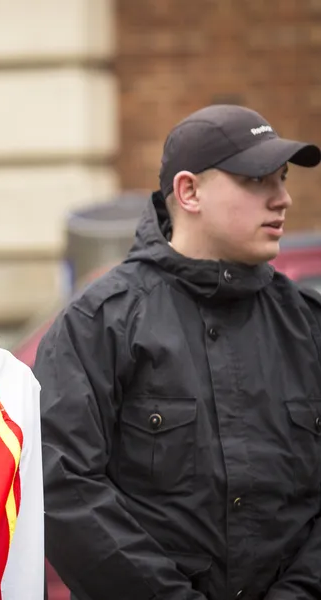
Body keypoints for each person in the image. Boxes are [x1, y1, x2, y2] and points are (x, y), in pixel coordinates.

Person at [34, 104, 321, 600]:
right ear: (189, 192)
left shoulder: (308, 325)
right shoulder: (101, 323)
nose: (283, 199)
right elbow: (63, 490)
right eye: (258, 181)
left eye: (283, 179)